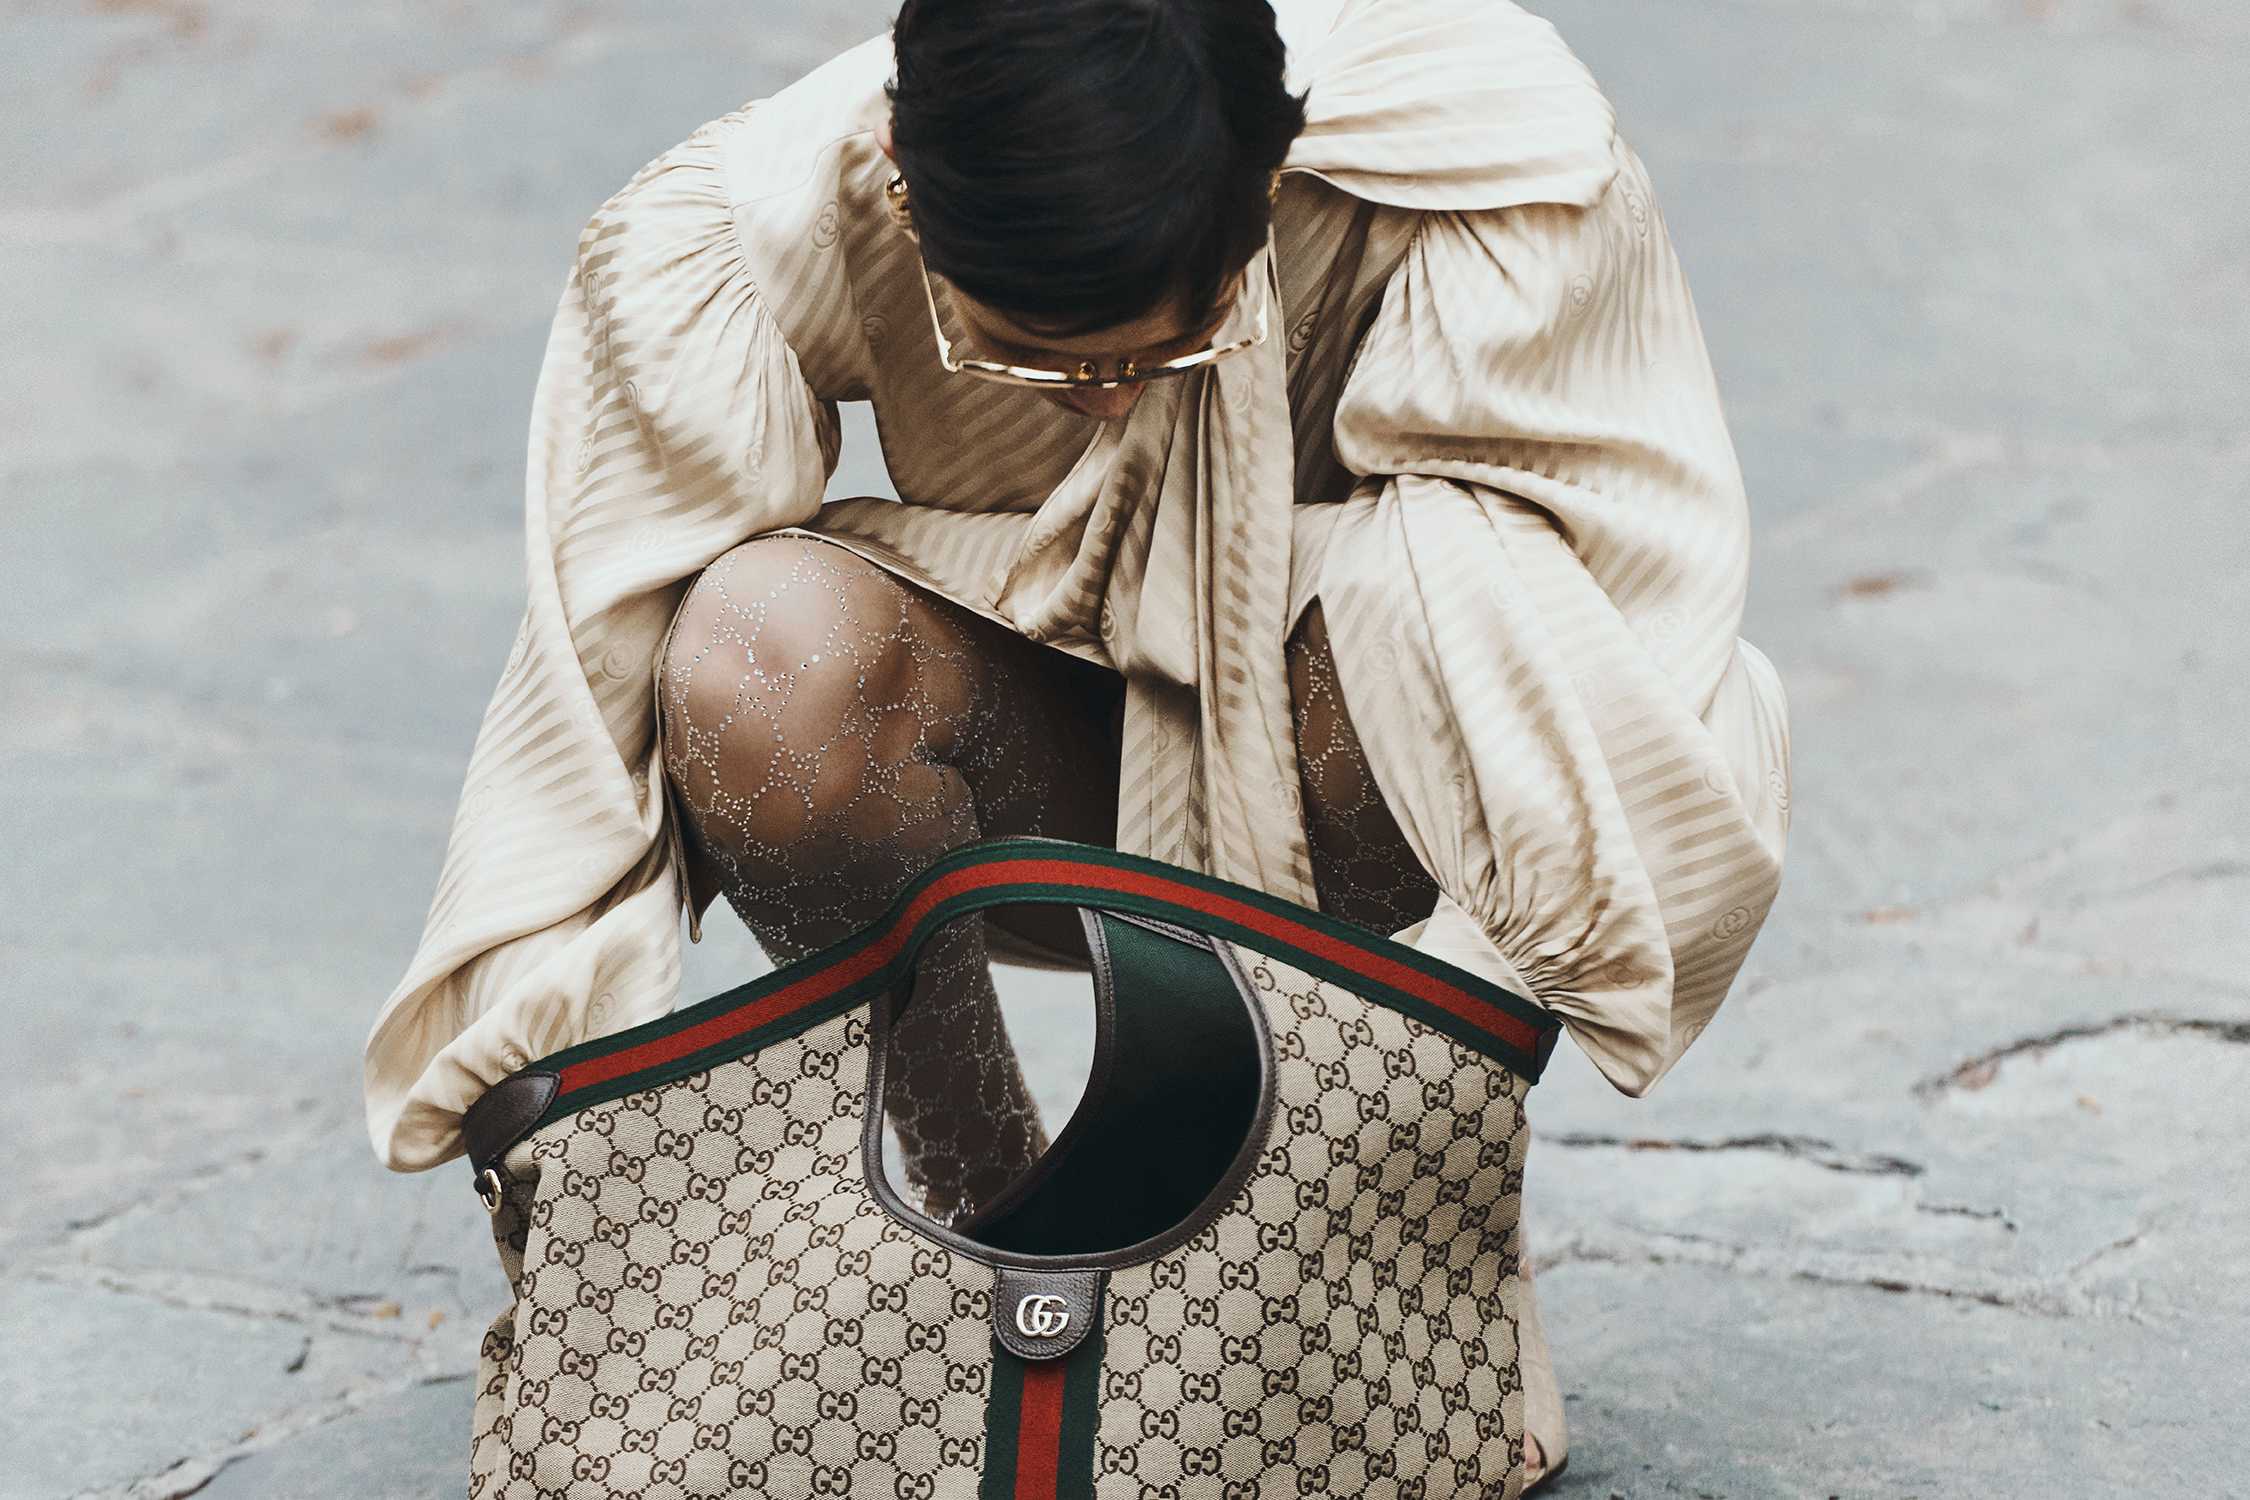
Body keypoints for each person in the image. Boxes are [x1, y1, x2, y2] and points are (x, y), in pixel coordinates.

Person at [363, 0, 1795, 1488]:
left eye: (1165, 349)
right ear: (901, 187)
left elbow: (1613, 656)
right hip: (1024, 763)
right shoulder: (746, 223)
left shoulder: (1485, 167)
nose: (1111, 401)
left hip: (1353, 766)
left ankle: (1380, 1260)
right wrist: (550, 1097)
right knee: (754, 649)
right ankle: (993, 1224)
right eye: (1041, 364)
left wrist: (1431, 1133)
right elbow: (585, 689)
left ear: (1268, 179)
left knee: (1458, 587)